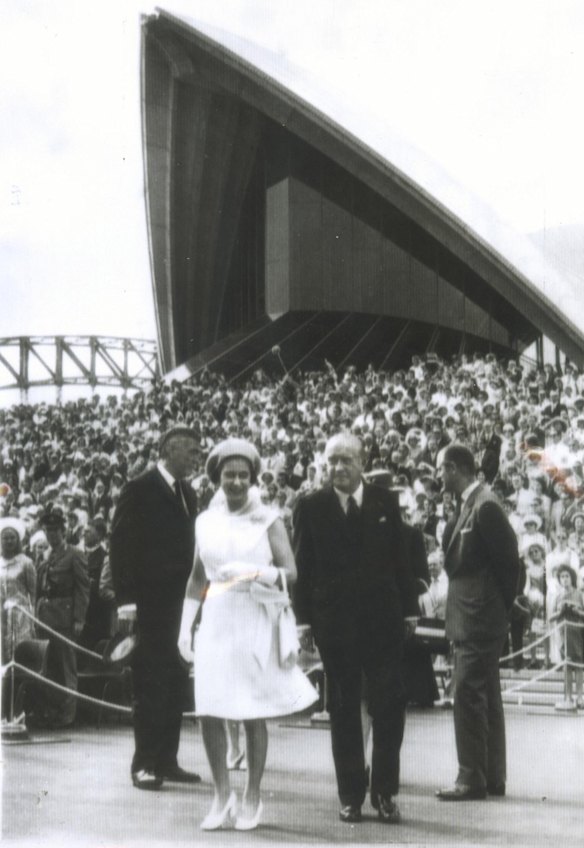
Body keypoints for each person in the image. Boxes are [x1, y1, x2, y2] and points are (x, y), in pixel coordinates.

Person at [178, 438, 317, 831]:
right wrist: (185, 628)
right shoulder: (205, 521)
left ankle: (252, 794)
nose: (236, 482)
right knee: (210, 708)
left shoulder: (269, 519)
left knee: (253, 710)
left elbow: (290, 572)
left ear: (253, 478)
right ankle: (222, 795)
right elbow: (196, 578)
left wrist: (254, 571)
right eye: (229, 475)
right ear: (217, 479)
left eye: (243, 475)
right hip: (218, 617)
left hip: (255, 615)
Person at [293, 433, 418, 825]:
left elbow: (402, 559)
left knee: (389, 706)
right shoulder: (311, 506)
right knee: (344, 711)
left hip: (384, 622)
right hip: (336, 627)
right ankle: (350, 795)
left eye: (346, 460)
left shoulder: (385, 500)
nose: (338, 468)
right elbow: (303, 567)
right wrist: (303, 621)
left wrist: (411, 610)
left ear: (363, 462)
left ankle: (384, 793)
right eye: (331, 461)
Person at [110, 426, 202, 790]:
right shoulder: (139, 488)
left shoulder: (188, 493)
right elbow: (121, 546)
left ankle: (167, 759)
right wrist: (127, 603)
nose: (197, 457)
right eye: (192, 451)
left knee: (176, 683)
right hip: (148, 605)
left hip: (180, 608)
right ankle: (143, 763)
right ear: (168, 449)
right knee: (149, 686)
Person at [436, 444, 521, 801]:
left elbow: (510, 563)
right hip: (475, 616)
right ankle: (491, 777)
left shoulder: (485, 504)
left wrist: (498, 608)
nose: (439, 476)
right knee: (486, 697)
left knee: (468, 694)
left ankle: (471, 778)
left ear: (455, 468)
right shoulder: (469, 504)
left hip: (480, 617)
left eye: (442, 469)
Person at [34, 507, 90, 728]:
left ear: (63, 531)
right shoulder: (45, 555)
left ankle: (68, 713)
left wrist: (79, 618)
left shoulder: (74, 554)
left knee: (68, 666)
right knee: (49, 665)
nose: (52, 535)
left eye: (56, 531)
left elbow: (83, 589)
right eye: (48, 531)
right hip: (45, 617)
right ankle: (50, 710)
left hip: (65, 617)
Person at [0, 518, 36, 662]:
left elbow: (33, 593)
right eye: (5, 538)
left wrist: (32, 617)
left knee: (20, 650)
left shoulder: (26, 562)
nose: (9, 541)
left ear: (18, 540)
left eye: (12, 538)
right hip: (3, 613)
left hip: (21, 614)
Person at [549, 564, 584, 707]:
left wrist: (577, 611)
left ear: (572, 578)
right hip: (564, 634)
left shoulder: (579, 594)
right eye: (562, 577)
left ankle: (580, 697)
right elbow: (551, 617)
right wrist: (561, 611)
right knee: (567, 666)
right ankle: (568, 697)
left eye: (567, 576)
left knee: (579, 666)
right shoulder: (556, 596)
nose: (565, 579)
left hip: (578, 633)